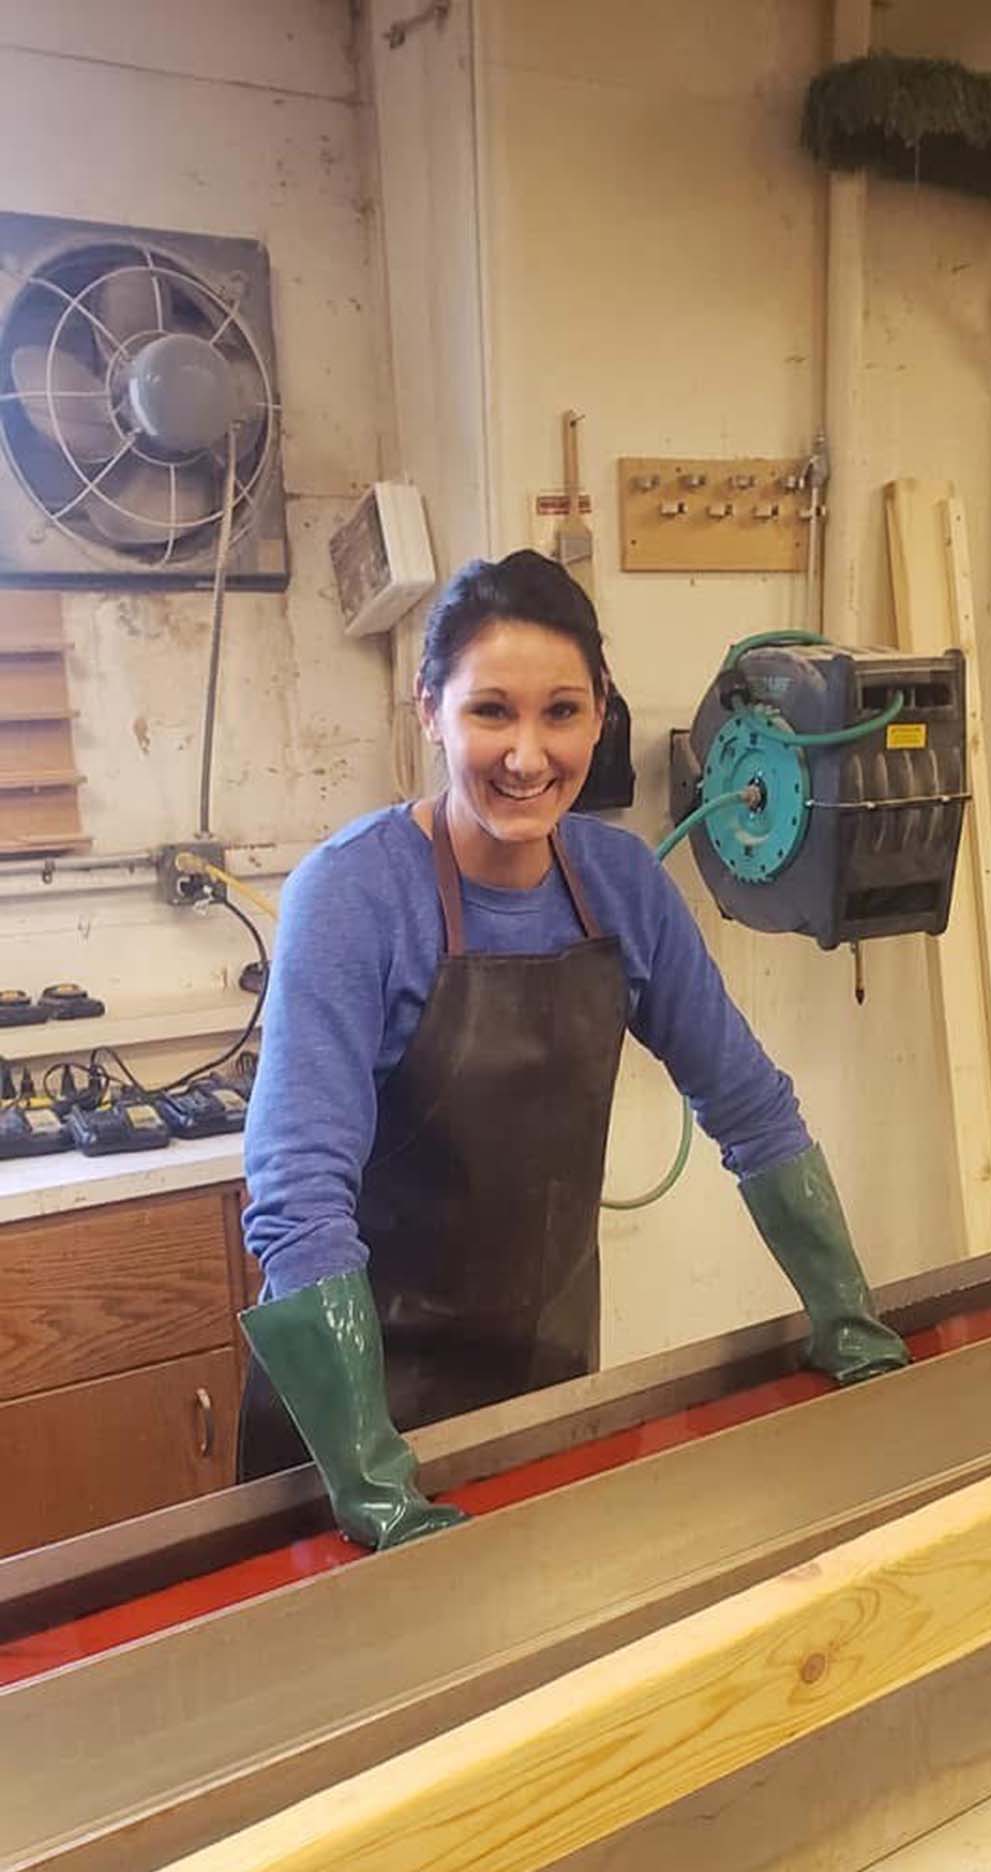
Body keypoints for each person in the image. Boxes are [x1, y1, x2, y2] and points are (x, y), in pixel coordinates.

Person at [240, 550, 908, 1548]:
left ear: (601, 714)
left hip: (543, 1392)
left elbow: (751, 1108)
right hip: (354, 1433)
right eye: (490, 711)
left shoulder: (624, 884)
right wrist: (376, 1487)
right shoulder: (352, 896)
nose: (526, 755)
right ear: (431, 711)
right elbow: (296, 1193)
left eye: (560, 711)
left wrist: (848, 1320)